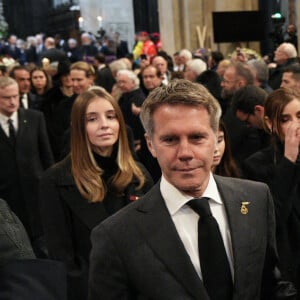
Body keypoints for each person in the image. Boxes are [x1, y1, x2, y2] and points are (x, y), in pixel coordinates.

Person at [89, 79, 282, 299]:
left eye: (197, 137)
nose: (185, 152)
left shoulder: (256, 198)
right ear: (151, 144)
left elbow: (269, 287)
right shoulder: (115, 235)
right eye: (170, 139)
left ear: (216, 139)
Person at [40, 87, 153, 300]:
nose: (104, 125)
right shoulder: (55, 181)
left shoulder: (139, 175)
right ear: (79, 128)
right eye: (92, 119)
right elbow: (62, 257)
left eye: (111, 117)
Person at [243, 87, 300, 293]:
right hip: (289, 266)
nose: (296, 125)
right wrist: (289, 160)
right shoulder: (256, 165)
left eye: (299, 116)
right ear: (270, 123)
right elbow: (274, 218)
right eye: (285, 119)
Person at [0, 76, 54, 257]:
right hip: (7, 203)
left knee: (45, 252)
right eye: (6, 98)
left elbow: (47, 157)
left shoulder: (34, 118)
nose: (12, 101)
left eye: (15, 96)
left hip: (37, 199)